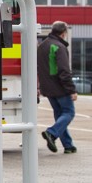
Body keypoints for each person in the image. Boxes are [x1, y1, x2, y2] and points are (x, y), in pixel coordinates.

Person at [37, 21, 77, 154]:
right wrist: (71, 89)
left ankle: (68, 145)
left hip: (47, 88)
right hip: (60, 87)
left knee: (60, 115)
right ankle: (51, 133)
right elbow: (64, 71)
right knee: (69, 113)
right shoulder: (58, 47)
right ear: (63, 33)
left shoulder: (42, 46)